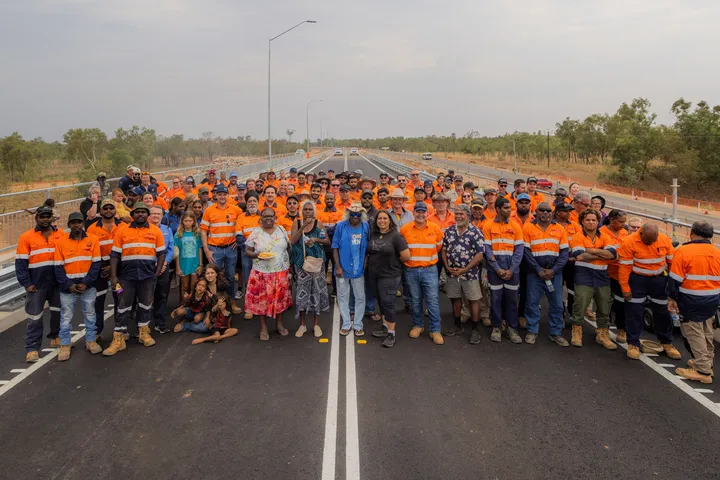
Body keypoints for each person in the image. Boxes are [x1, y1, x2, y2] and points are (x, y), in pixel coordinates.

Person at [102, 202, 166, 356]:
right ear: (132, 215)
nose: (140, 215)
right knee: (122, 305)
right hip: (125, 277)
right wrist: (114, 277)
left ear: (147, 215)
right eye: (137, 212)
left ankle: (144, 333)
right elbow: (115, 255)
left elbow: (161, 253)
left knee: (146, 304)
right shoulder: (122, 231)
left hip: (148, 277)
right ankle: (119, 338)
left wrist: (156, 273)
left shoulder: (156, 231)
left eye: (143, 212)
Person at [617, 223, 679, 360]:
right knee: (634, 312)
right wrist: (625, 288)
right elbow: (624, 268)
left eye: (653, 241)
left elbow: (672, 263)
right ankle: (633, 343)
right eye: (648, 241)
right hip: (638, 281)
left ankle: (667, 342)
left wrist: (672, 287)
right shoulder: (629, 242)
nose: (651, 243)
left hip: (659, 281)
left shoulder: (663, 240)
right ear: (641, 234)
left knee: (662, 312)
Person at [668, 222, 720, 384]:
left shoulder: (684, 251)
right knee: (706, 330)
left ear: (692, 233)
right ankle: (706, 361)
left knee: (694, 332)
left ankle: (703, 370)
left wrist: (672, 299)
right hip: (712, 299)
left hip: (690, 300)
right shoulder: (717, 252)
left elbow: (675, 279)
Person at [16, 205, 66, 362]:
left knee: (58, 312)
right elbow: (21, 263)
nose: (45, 219)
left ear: (52, 217)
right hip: (36, 284)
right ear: (36, 217)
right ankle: (32, 349)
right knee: (35, 316)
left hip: (57, 282)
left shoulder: (61, 235)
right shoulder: (26, 237)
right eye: (42, 216)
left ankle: (55, 337)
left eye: (47, 216)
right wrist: (26, 283)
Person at [53, 212, 102, 361]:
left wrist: (86, 282)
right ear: (69, 225)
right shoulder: (61, 242)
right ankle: (65, 346)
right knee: (66, 317)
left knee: (90, 314)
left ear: (83, 223)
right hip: (68, 288)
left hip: (87, 286)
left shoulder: (93, 240)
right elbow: (58, 268)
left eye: (79, 222)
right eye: (73, 222)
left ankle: (91, 341)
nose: (76, 225)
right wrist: (69, 285)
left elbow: (96, 264)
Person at [568, 209, 617, 349]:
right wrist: (602, 253)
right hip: (584, 274)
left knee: (604, 305)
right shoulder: (577, 237)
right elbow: (580, 256)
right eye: (588, 220)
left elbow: (612, 254)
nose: (591, 222)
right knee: (580, 303)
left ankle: (602, 333)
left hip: (602, 276)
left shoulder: (605, 236)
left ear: (598, 221)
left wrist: (591, 250)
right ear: (582, 221)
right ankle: (577, 331)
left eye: (594, 220)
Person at [522, 202, 570, 346]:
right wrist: (538, 269)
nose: (545, 213)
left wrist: (553, 270)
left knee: (557, 305)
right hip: (534, 274)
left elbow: (564, 253)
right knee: (532, 303)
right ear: (536, 211)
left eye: (548, 210)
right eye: (541, 210)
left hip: (554, 274)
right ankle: (532, 331)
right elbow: (526, 251)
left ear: (552, 212)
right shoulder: (528, 227)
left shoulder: (560, 229)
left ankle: (555, 333)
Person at [245, 208, 293, 341]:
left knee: (280, 300)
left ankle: (279, 324)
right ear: (260, 218)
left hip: (280, 272)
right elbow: (247, 250)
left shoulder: (281, 230)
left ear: (275, 217)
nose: (268, 219)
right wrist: (257, 255)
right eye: (265, 216)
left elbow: (288, 248)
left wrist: (289, 266)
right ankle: (263, 327)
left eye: (270, 216)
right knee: (262, 301)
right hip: (261, 272)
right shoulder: (256, 232)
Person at [401, 202, 445, 345]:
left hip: (429, 270)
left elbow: (439, 246)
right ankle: (418, 325)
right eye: (417, 212)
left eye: (423, 212)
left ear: (427, 213)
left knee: (432, 300)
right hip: (411, 270)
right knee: (415, 299)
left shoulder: (435, 229)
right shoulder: (405, 229)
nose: (420, 215)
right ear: (413, 213)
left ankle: (435, 330)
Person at [442, 204, 485, 344]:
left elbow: (479, 254)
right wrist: (447, 266)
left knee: (473, 299)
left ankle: (475, 329)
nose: (459, 216)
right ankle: (457, 325)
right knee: (455, 298)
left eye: (462, 214)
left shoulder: (475, 232)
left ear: (468, 215)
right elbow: (443, 250)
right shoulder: (449, 231)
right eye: (457, 214)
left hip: (470, 273)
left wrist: (465, 269)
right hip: (453, 273)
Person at [482, 197, 524, 344]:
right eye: (506, 208)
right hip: (495, 271)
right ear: (498, 209)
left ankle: (512, 328)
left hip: (512, 271)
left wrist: (511, 270)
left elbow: (519, 251)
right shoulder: (488, 225)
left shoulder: (516, 226)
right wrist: (497, 268)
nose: (510, 210)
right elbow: (487, 249)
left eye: (510, 208)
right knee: (496, 299)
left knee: (512, 300)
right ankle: (497, 327)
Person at [368, 211, 410, 347]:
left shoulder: (396, 237)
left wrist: (394, 263)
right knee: (380, 300)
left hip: (390, 275)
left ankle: (391, 333)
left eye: (385, 218)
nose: (382, 221)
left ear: (390, 221)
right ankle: (385, 326)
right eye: (379, 218)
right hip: (375, 274)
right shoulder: (373, 234)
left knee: (388, 302)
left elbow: (406, 256)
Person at [290, 201, 330, 337]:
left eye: (310, 210)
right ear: (301, 211)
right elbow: (292, 241)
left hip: (317, 265)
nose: (307, 212)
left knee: (316, 293)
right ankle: (302, 325)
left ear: (314, 212)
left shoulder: (319, 224)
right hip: (302, 265)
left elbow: (327, 241)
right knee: (302, 294)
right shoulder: (297, 223)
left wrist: (316, 239)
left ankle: (316, 324)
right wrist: (303, 228)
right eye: (305, 209)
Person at [86, 199, 123, 340]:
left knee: (120, 297)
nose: (108, 210)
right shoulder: (92, 229)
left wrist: (113, 267)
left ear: (115, 210)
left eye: (111, 208)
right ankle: (97, 332)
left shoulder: (124, 227)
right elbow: (89, 252)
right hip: (100, 271)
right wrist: (102, 267)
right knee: (98, 301)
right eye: (105, 208)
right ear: (100, 211)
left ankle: (120, 330)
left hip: (118, 269)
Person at [200, 184, 242, 307]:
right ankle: (213, 303)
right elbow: (203, 231)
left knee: (230, 276)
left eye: (224, 194)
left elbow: (243, 223)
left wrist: (238, 241)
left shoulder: (235, 209)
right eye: (220, 194)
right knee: (213, 278)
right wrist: (206, 250)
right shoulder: (209, 210)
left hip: (230, 249)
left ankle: (231, 302)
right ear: (216, 196)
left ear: (228, 195)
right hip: (215, 249)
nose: (222, 197)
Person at [333, 203, 370, 336]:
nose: (355, 217)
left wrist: (364, 266)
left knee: (360, 297)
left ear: (362, 215)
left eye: (358, 215)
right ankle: (346, 323)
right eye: (352, 214)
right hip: (342, 269)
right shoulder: (341, 226)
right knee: (343, 297)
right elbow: (335, 247)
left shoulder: (366, 226)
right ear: (348, 214)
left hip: (359, 269)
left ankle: (358, 324)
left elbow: (367, 249)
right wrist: (337, 267)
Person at [599, 209, 629, 343]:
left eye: (624, 222)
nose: (623, 224)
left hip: (620, 274)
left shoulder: (624, 233)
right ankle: (603, 329)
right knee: (604, 302)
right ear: (612, 220)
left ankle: (621, 329)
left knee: (621, 302)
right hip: (605, 272)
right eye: (621, 221)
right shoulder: (601, 232)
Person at [149, 206, 174, 334]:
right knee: (145, 296)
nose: (156, 216)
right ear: (149, 215)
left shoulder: (167, 230)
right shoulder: (144, 229)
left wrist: (164, 263)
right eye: (153, 213)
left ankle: (160, 322)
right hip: (147, 267)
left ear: (162, 215)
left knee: (162, 295)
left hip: (163, 267)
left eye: (158, 214)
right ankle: (144, 325)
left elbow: (170, 248)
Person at [175, 212, 203, 302]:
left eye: (190, 221)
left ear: (193, 221)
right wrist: (178, 267)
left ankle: (192, 305)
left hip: (194, 264)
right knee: (184, 286)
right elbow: (176, 252)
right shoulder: (178, 234)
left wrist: (201, 264)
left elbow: (199, 249)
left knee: (193, 286)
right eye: (185, 221)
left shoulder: (197, 234)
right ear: (182, 221)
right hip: (183, 264)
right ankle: (183, 304)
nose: (188, 223)